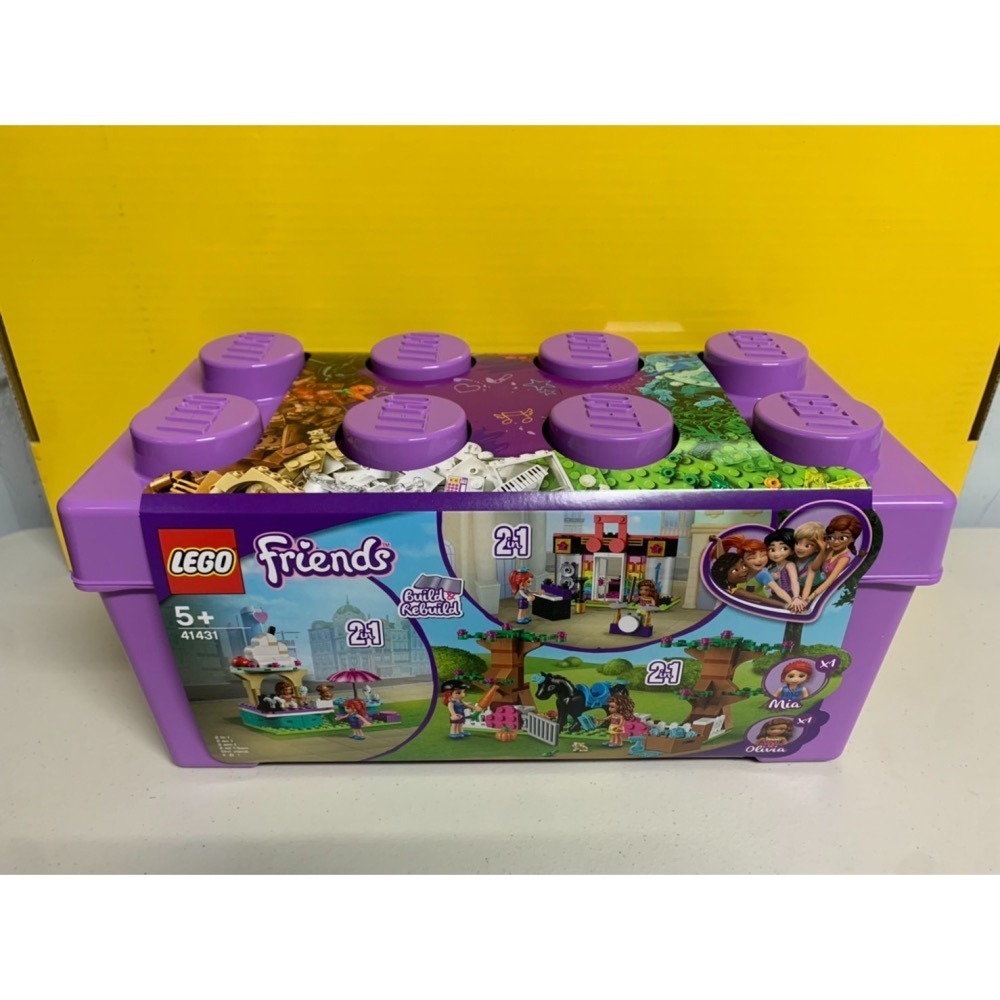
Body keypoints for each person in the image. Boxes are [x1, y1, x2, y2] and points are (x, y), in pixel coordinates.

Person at [805, 514, 864, 606]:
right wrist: (823, 550)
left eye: (842, 538)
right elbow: (814, 567)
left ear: (852, 539)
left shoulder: (844, 558)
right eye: (831, 538)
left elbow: (830, 581)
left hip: (832, 592)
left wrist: (810, 598)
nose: (836, 542)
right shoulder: (829, 550)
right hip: (820, 587)